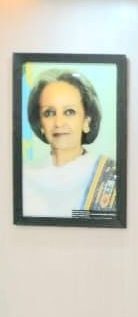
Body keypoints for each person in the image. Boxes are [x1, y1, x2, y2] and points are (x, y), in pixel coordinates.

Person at [22, 69, 117, 218]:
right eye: (49, 113)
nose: (59, 123)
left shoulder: (111, 176)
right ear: (41, 124)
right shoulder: (25, 176)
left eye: (69, 112)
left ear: (86, 121)